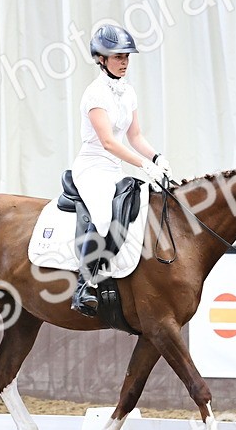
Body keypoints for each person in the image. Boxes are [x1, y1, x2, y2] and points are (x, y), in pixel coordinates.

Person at [70, 23, 171, 316]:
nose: (124, 61)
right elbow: (108, 142)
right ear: (101, 59)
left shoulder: (128, 93)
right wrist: (142, 165)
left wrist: (156, 158)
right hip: (91, 166)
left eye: (127, 56)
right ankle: (84, 285)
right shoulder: (95, 94)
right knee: (104, 217)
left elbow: (135, 136)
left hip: (114, 169)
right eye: (118, 57)